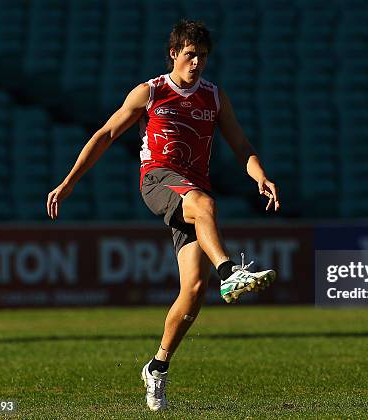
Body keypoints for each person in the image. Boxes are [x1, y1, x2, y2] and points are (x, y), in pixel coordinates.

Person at [46, 20, 279, 411]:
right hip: (158, 179)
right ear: (174, 53)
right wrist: (69, 182)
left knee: (191, 294)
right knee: (205, 204)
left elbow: (241, 145)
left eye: (203, 56)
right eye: (190, 54)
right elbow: (105, 135)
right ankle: (229, 273)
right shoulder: (151, 91)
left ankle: (157, 366)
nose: (197, 62)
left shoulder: (214, 97)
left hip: (190, 191)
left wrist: (261, 176)